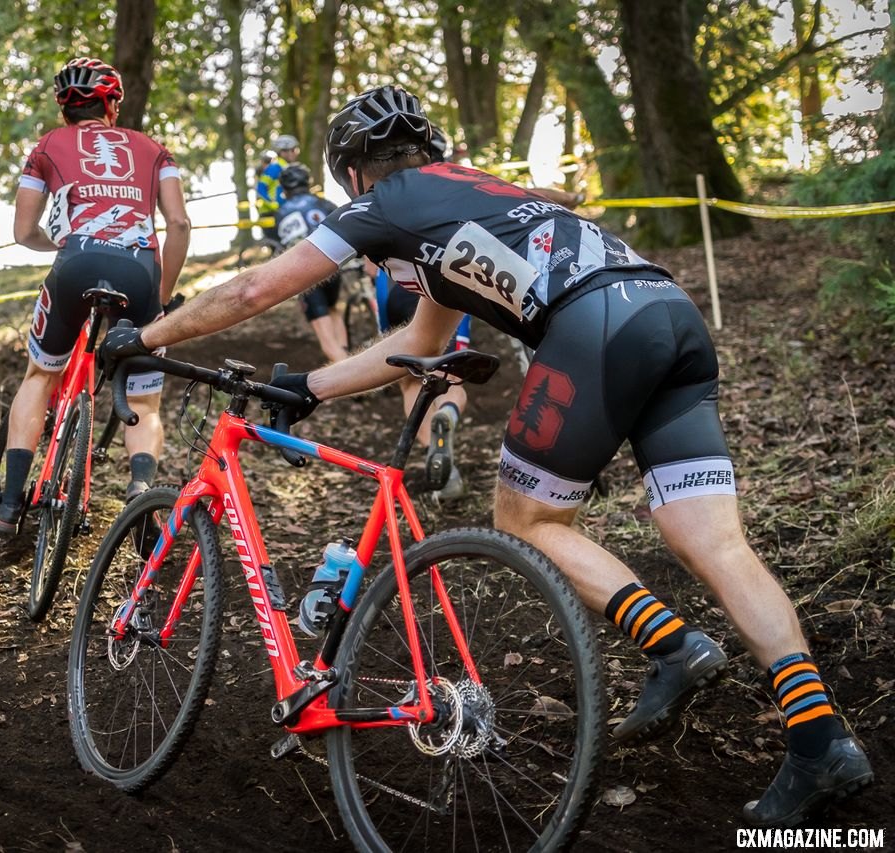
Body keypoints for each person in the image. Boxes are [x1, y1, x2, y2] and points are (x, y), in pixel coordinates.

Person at [103, 85, 872, 827]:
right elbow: (418, 344)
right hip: (668, 312)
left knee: (526, 519)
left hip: (593, 326)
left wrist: (147, 335)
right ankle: (820, 738)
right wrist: (310, 384)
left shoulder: (380, 205)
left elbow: (249, 294)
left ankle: (675, 645)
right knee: (715, 540)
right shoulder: (472, 201)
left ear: (352, 172)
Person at [0, 56, 191, 534]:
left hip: (75, 262)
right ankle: (141, 499)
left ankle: (11, 503)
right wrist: (160, 298)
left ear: (64, 111)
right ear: (112, 105)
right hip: (141, 272)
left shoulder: (47, 145)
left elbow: (22, 231)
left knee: (39, 376)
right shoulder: (154, 149)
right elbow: (178, 224)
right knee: (143, 403)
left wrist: (61, 246)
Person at [366, 258, 471, 499]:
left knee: (410, 380)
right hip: (443, 280)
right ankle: (447, 413)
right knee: (450, 378)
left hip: (393, 285)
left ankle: (438, 462)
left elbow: (371, 265)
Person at [272, 163, 348, 363]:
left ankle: (355, 381)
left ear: (284, 188)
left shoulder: (280, 214)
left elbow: (278, 250)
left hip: (304, 275)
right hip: (332, 265)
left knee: (326, 338)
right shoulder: (322, 203)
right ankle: (348, 357)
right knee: (333, 309)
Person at [255, 134, 301, 216]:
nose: (296, 153)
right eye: (293, 150)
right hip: (270, 214)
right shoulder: (274, 167)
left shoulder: (286, 167)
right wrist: (273, 205)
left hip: (282, 212)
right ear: (283, 152)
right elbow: (260, 188)